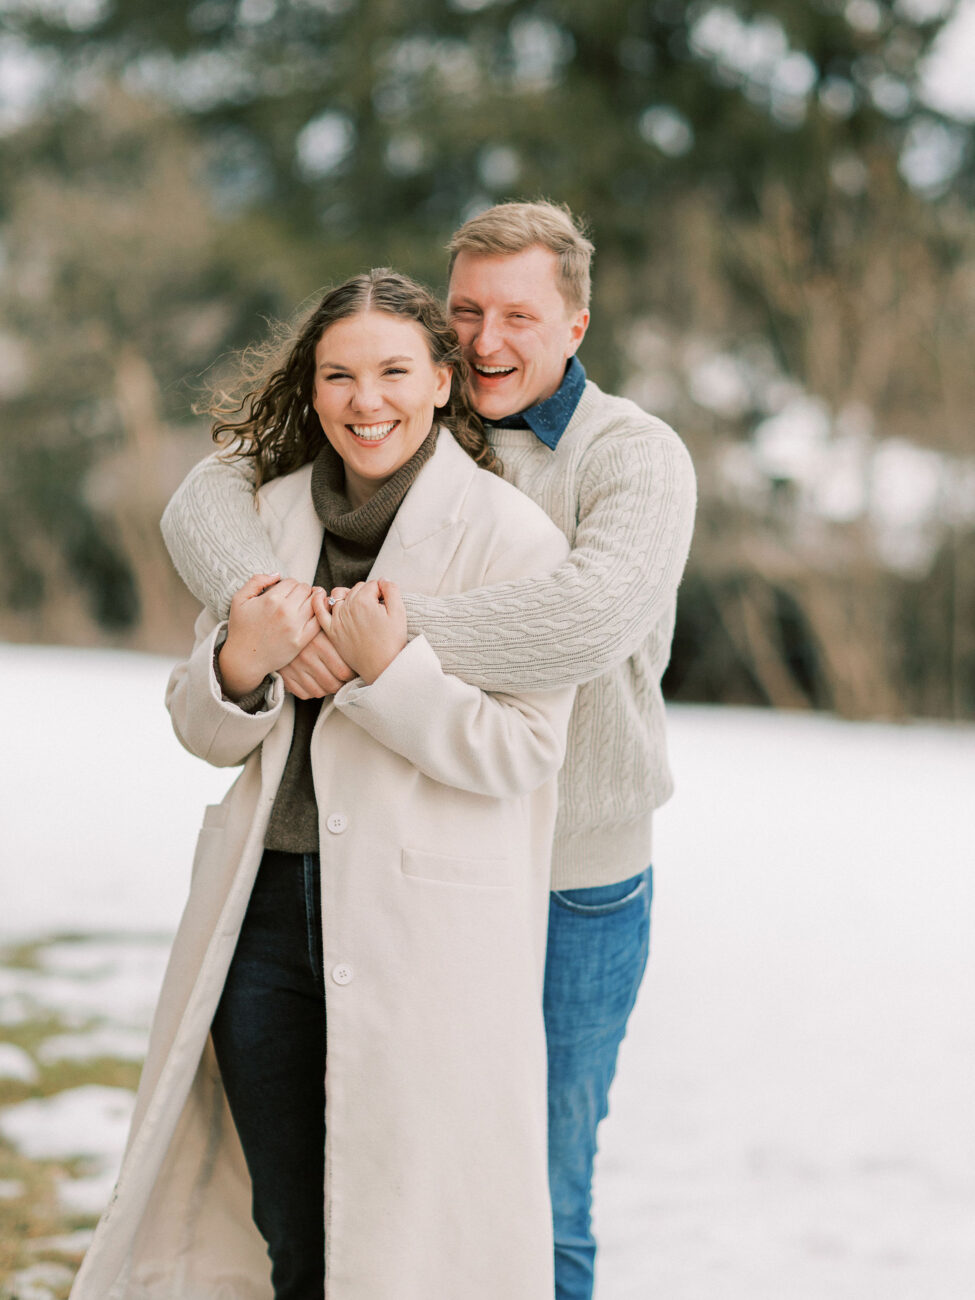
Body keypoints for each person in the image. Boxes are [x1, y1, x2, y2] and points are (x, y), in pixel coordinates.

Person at [162, 201, 698, 1300]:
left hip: (573, 870)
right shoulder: (388, 417)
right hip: (419, 860)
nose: (488, 339)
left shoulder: (629, 455)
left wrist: (363, 634)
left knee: (538, 1190)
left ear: (576, 324)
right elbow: (203, 494)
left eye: (519, 316)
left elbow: (585, 622)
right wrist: (270, 617)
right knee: (383, 1192)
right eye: (467, 313)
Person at [69, 271, 576, 1300]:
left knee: (400, 1246)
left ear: (443, 381)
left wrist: (392, 675)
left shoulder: (512, 537)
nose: (365, 400)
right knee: (294, 1236)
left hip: (418, 928)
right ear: (311, 387)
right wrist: (240, 662)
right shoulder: (265, 515)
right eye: (339, 375)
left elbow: (522, 751)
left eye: (394, 371)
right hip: (259, 921)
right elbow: (201, 726)